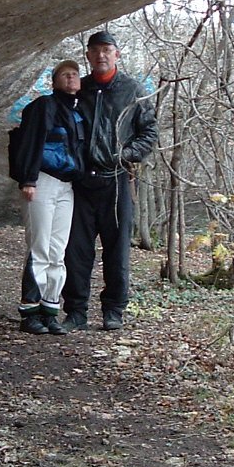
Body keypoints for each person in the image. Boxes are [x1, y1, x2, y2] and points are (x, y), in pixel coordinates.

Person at [61, 31, 158, 332]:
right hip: (81, 183)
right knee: (76, 251)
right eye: (95, 51)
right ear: (87, 56)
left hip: (116, 181)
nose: (101, 55)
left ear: (117, 54)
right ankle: (75, 312)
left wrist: (126, 154)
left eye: (107, 50)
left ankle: (113, 310)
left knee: (117, 251)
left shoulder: (132, 90)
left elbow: (150, 132)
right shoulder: (79, 89)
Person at [10, 60, 86, 335]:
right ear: (54, 81)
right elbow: (31, 141)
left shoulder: (77, 110)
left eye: (75, 74)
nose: (71, 78)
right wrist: (28, 180)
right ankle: (30, 311)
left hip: (67, 186)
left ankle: (50, 309)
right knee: (39, 247)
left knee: (58, 250)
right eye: (65, 75)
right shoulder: (43, 106)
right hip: (42, 181)